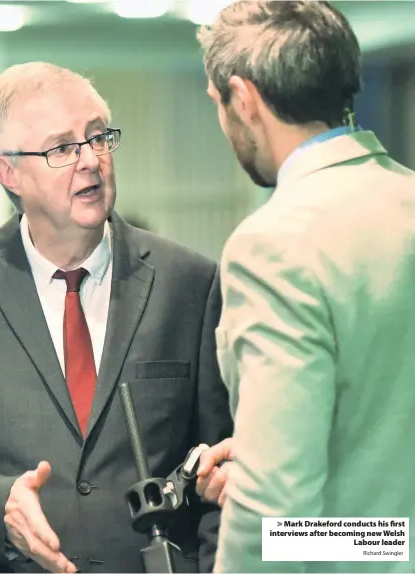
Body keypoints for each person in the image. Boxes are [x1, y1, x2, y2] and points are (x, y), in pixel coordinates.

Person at [0, 61, 233, 573]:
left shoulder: (191, 282)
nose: (90, 160)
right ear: (8, 174)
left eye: (98, 137)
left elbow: (222, 465)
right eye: (61, 148)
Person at [194, 1, 415, 572]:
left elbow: (277, 510)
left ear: (243, 99)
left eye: (218, 105)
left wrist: (258, 488)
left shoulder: (274, 244)